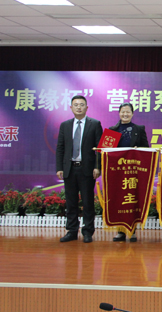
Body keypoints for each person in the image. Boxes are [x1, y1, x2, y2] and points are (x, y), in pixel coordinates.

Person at [56, 95, 102, 243]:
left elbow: (99, 148)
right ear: (71, 108)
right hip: (69, 169)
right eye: (76, 105)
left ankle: (88, 232)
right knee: (71, 202)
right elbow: (60, 148)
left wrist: (97, 167)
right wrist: (60, 167)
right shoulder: (65, 125)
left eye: (81, 105)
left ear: (86, 107)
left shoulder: (95, 124)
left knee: (88, 202)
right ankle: (72, 231)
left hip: (87, 169)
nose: (79, 107)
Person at [109, 102, 149, 242]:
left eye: (128, 112)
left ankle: (132, 231)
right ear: (119, 113)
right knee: (119, 200)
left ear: (132, 114)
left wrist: (139, 150)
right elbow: (105, 152)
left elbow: (146, 149)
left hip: (133, 172)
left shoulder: (139, 129)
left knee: (132, 200)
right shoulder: (112, 130)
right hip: (117, 172)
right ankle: (120, 231)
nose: (125, 114)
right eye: (123, 112)